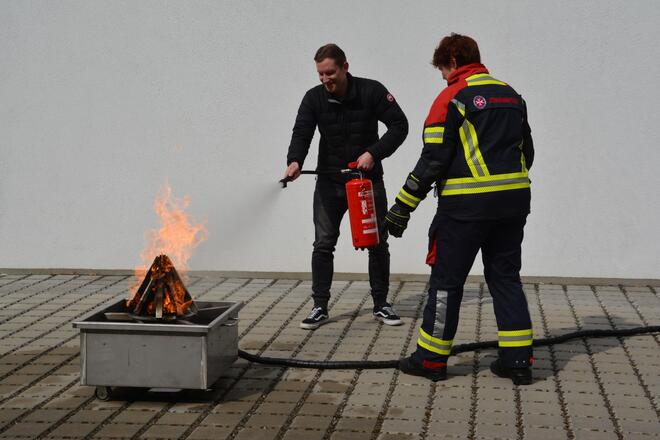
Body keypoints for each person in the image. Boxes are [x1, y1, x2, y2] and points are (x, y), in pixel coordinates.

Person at [385, 34, 535, 384]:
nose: (442, 76)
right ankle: (517, 361)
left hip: (465, 209)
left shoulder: (451, 98)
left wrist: (402, 206)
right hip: (513, 203)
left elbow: (433, 160)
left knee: (446, 283)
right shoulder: (512, 95)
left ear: (452, 62)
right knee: (505, 278)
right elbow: (527, 152)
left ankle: (430, 360)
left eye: (441, 68)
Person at [284, 43, 408, 330]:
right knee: (323, 244)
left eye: (330, 73)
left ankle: (381, 304)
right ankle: (319, 306)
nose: (325, 79)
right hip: (330, 184)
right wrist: (294, 161)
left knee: (377, 243)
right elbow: (302, 131)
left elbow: (399, 125)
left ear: (345, 67)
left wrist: (373, 154)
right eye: (320, 74)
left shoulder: (371, 91)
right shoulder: (313, 98)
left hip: (367, 182)